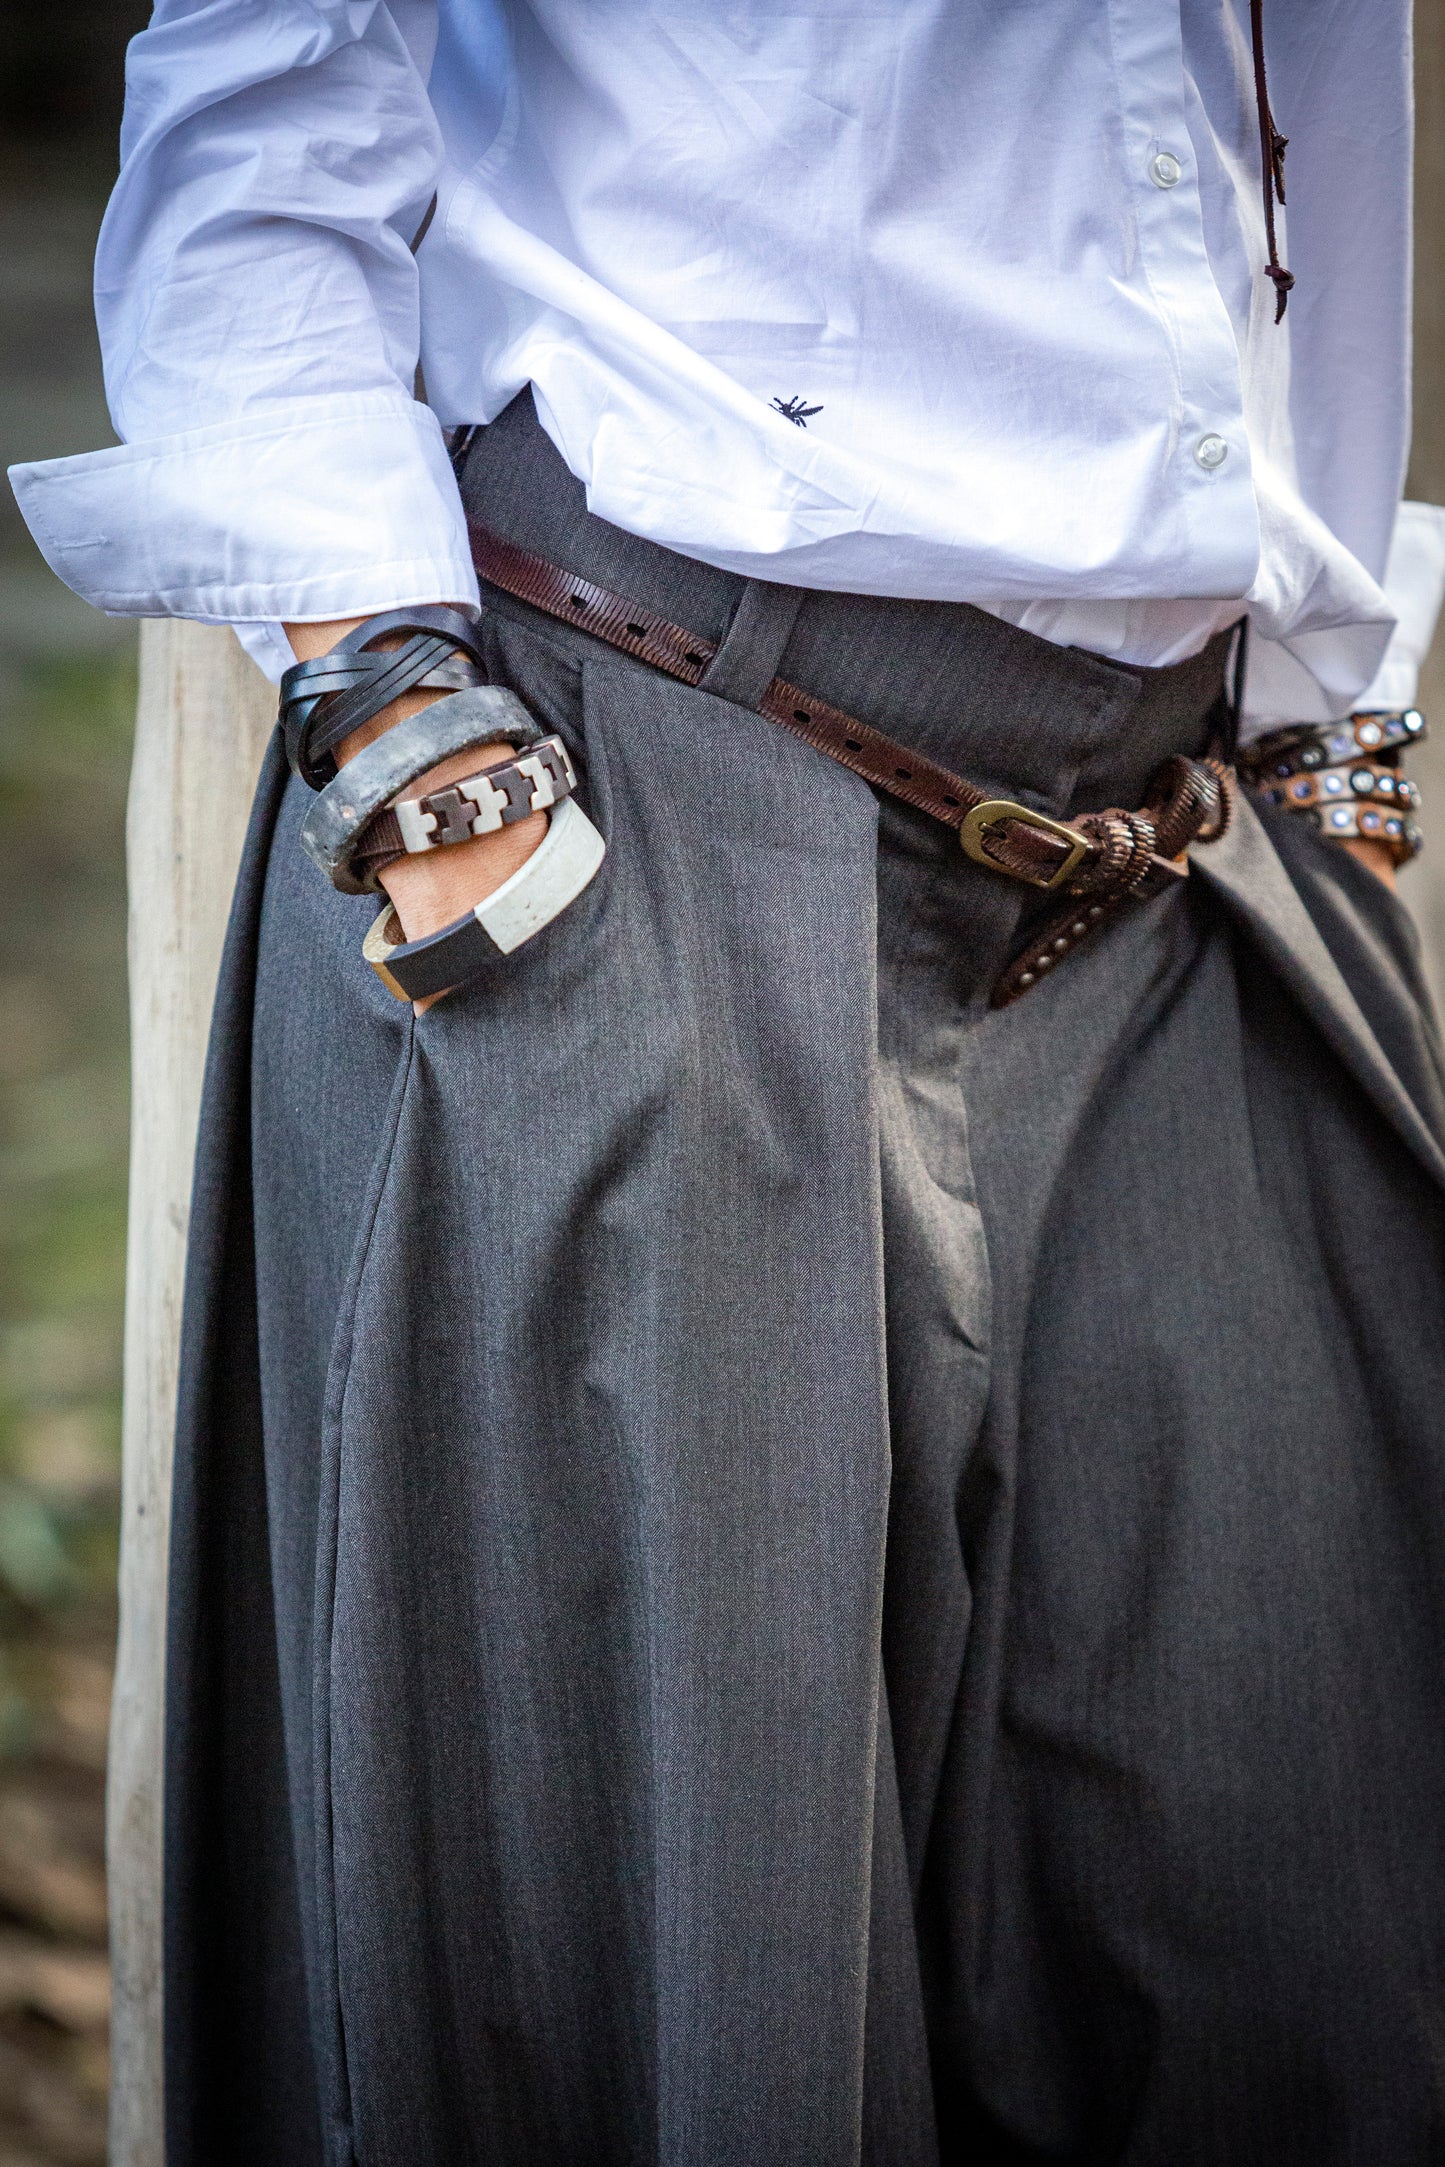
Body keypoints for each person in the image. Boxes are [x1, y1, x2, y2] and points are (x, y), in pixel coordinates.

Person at [12, 3, 1445, 2160]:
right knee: (678, 2008)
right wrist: (410, 740)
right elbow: (259, 95)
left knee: (1298, 1948)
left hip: (1175, 858)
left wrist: (1337, 679)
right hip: (638, 796)